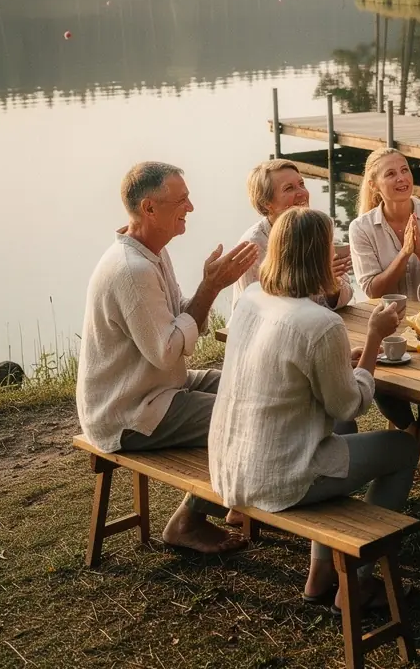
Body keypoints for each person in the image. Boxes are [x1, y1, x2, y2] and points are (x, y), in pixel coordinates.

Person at [209, 207, 418, 607]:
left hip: (231, 461)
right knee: (404, 449)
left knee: (341, 439)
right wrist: (374, 339)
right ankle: (355, 582)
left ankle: (320, 574)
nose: (337, 252)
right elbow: (348, 405)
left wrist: (342, 361)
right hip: (276, 476)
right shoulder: (320, 324)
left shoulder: (253, 298)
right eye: (330, 247)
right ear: (315, 257)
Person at [76, 161, 258, 554]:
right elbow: (167, 350)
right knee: (245, 418)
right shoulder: (132, 269)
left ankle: (241, 492)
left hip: (161, 384)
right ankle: (187, 522)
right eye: (181, 200)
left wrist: (210, 287)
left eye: (188, 198)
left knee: (253, 386)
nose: (190, 207)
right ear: (149, 208)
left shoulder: (153, 252)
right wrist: (210, 288)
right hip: (129, 409)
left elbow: (181, 322)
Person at [349, 147, 420, 482]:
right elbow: (371, 289)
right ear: (375, 185)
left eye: (405, 170)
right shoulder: (362, 227)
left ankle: (412, 442)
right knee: (378, 376)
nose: (401, 179)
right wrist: (404, 253)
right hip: (390, 324)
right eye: (391, 174)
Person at [231, 159, 352, 311]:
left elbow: (346, 296)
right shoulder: (253, 247)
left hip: (315, 324)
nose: (302, 193)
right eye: (289, 188)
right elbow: (253, 310)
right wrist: (318, 281)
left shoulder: (317, 228)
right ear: (266, 203)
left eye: (302, 184)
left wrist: (332, 283)